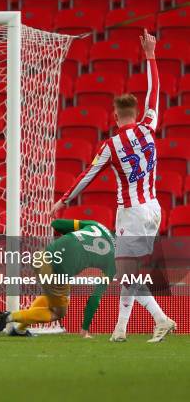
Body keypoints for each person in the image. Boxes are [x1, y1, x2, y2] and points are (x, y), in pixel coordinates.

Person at [50, 30, 176, 343]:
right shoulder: (149, 126)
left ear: (114, 115)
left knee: (125, 272)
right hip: (154, 209)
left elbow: (88, 175)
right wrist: (151, 55)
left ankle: (161, 319)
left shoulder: (111, 145)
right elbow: (155, 91)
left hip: (131, 212)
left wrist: (64, 200)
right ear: (136, 113)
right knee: (129, 270)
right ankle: (120, 330)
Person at [0, 219, 116, 338]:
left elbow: (57, 224)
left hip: (40, 256)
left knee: (50, 297)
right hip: (58, 271)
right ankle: (8, 317)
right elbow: (95, 298)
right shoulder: (114, 260)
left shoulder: (97, 225)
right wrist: (85, 329)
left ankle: (19, 330)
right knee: (58, 313)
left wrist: (76, 240)